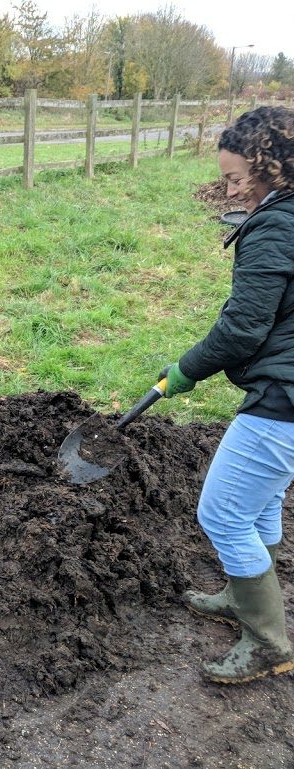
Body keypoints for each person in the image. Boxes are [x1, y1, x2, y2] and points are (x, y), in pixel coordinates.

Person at [160, 106, 294, 684]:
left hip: (285, 396)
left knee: (221, 512)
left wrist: (186, 370)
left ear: (272, 168)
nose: (231, 190)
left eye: (238, 178)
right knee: (260, 502)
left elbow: (243, 327)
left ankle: (266, 642)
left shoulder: (277, 226)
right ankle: (244, 599)